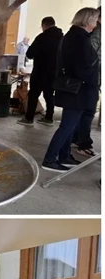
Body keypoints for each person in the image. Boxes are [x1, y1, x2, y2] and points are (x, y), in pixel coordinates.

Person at [41, 7, 100, 172]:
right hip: (76, 90)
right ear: (87, 20)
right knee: (67, 126)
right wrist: (93, 83)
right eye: (95, 19)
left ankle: (64, 155)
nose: (96, 23)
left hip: (75, 89)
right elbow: (82, 68)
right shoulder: (78, 39)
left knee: (70, 126)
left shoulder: (76, 36)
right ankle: (50, 159)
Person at [19, 17, 63, 126]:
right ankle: (49, 118)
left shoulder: (42, 37)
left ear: (44, 25)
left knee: (33, 95)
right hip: (54, 73)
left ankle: (29, 119)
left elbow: (29, 54)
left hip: (40, 72)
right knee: (49, 95)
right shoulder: (62, 37)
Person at [72, 8, 100, 158]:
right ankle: (82, 142)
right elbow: (89, 61)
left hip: (91, 80)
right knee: (86, 113)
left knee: (81, 114)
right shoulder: (89, 36)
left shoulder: (85, 35)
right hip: (88, 81)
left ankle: (78, 139)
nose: (95, 23)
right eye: (95, 20)